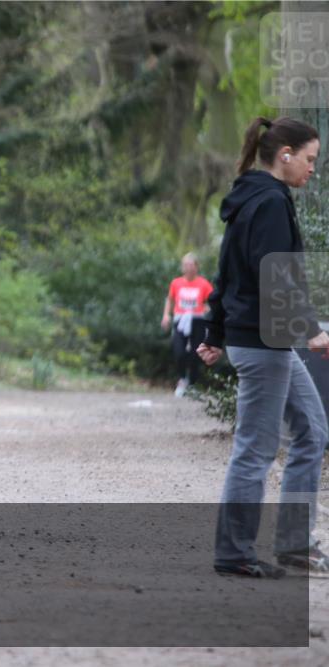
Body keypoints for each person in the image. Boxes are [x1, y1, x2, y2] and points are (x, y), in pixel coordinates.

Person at [198, 116, 329, 577]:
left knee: (312, 431)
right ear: (286, 154)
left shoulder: (251, 197)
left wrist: (214, 332)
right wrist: (311, 328)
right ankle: (233, 554)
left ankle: (294, 544)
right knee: (255, 449)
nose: (313, 169)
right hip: (263, 342)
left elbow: (226, 272)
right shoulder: (270, 201)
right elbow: (276, 275)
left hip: (264, 341)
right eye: (310, 159)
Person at [162, 253, 212, 396]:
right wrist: (166, 315)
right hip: (180, 320)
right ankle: (182, 379)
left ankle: (193, 383)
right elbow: (170, 299)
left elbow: (212, 301)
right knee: (179, 351)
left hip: (198, 320)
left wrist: (208, 308)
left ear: (197, 267)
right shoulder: (176, 283)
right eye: (186, 265)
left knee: (196, 353)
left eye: (191, 265)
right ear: (182, 267)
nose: (189, 268)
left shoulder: (203, 284)